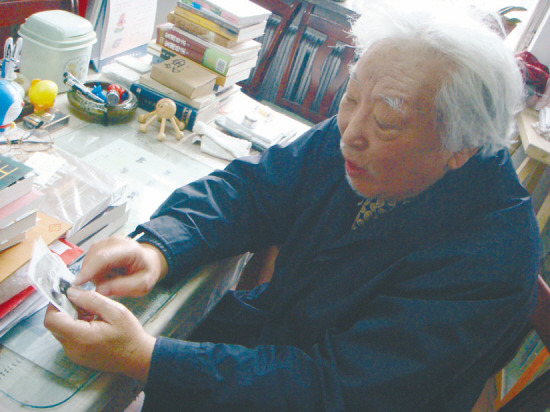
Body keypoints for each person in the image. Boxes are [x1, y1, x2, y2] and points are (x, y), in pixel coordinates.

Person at [44, 1, 543, 410]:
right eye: (350, 97)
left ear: (461, 146)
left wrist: (147, 359)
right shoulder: (357, 135)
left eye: (387, 122)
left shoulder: (491, 260)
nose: (350, 133)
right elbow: (254, 191)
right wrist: (161, 247)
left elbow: (338, 390)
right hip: (272, 346)